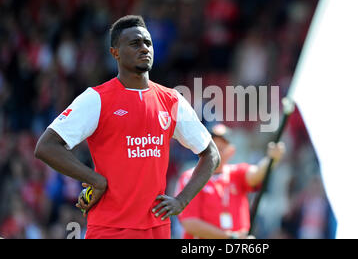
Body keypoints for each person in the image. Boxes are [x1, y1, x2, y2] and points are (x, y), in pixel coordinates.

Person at [34, 15, 220, 239]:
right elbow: (46, 146)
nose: (144, 48)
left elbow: (211, 154)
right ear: (115, 53)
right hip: (109, 229)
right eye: (135, 43)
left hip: (156, 230)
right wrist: (96, 180)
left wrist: (182, 200)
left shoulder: (171, 100)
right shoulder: (96, 99)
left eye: (148, 43)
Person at [177, 124, 285, 239]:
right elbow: (190, 223)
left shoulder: (237, 173)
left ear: (231, 152)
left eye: (222, 148)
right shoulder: (191, 177)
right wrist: (231, 237)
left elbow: (257, 174)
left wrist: (271, 160)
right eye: (213, 147)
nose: (217, 152)